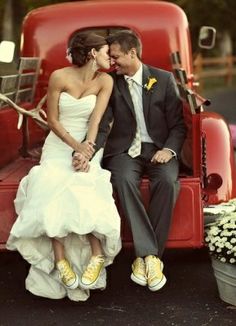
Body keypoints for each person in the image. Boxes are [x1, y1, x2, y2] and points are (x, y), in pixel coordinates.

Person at [6, 32, 121, 302]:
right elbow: (54, 122)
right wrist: (74, 146)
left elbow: (96, 121)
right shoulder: (59, 76)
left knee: (85, 186)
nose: (110, 58)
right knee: (51, 189)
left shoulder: (106, 81)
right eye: (106, 52)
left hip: (88, 145)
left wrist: (87, 149)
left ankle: (96, 256)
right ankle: (60, 261)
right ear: (93, 53)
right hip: (59, 145)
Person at [84, 30, 187, 292]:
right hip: (123, 150)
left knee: (166, 181)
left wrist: (169, 150)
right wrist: (87, 151)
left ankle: (146, 258)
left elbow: (178, 125)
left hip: (159, 149)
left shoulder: (162, 79)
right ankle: (151, 256)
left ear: (133, 53)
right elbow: (103, 123)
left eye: (116, 56)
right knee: (122, 179)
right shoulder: (110, 82)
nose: (113, 61)